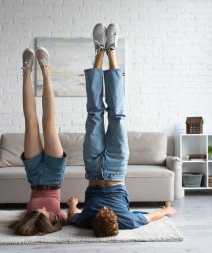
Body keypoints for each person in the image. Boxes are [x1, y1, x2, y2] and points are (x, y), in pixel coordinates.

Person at [67, 23, 176, 237]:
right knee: (114, 114)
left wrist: (165, 211)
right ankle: (112, 51)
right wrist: (165, 210)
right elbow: (149, 217)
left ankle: (100, 51)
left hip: (102, 168)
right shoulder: (119, 221)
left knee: (97, 114)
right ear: (115, 221)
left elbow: (72, 216)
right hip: (112, 168)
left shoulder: (91, 221)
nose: (104, 211)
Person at [9, 47, 68, 236]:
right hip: (54, 175)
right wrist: (74, 207)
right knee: (49, 124)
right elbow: (73, 215)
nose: (41, 209)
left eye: (38, 213)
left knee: (31, 123)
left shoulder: (29, 215)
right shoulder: (57, 217)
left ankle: (26, 72)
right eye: (42, 213)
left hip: (34, 175)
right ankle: (46, 70)